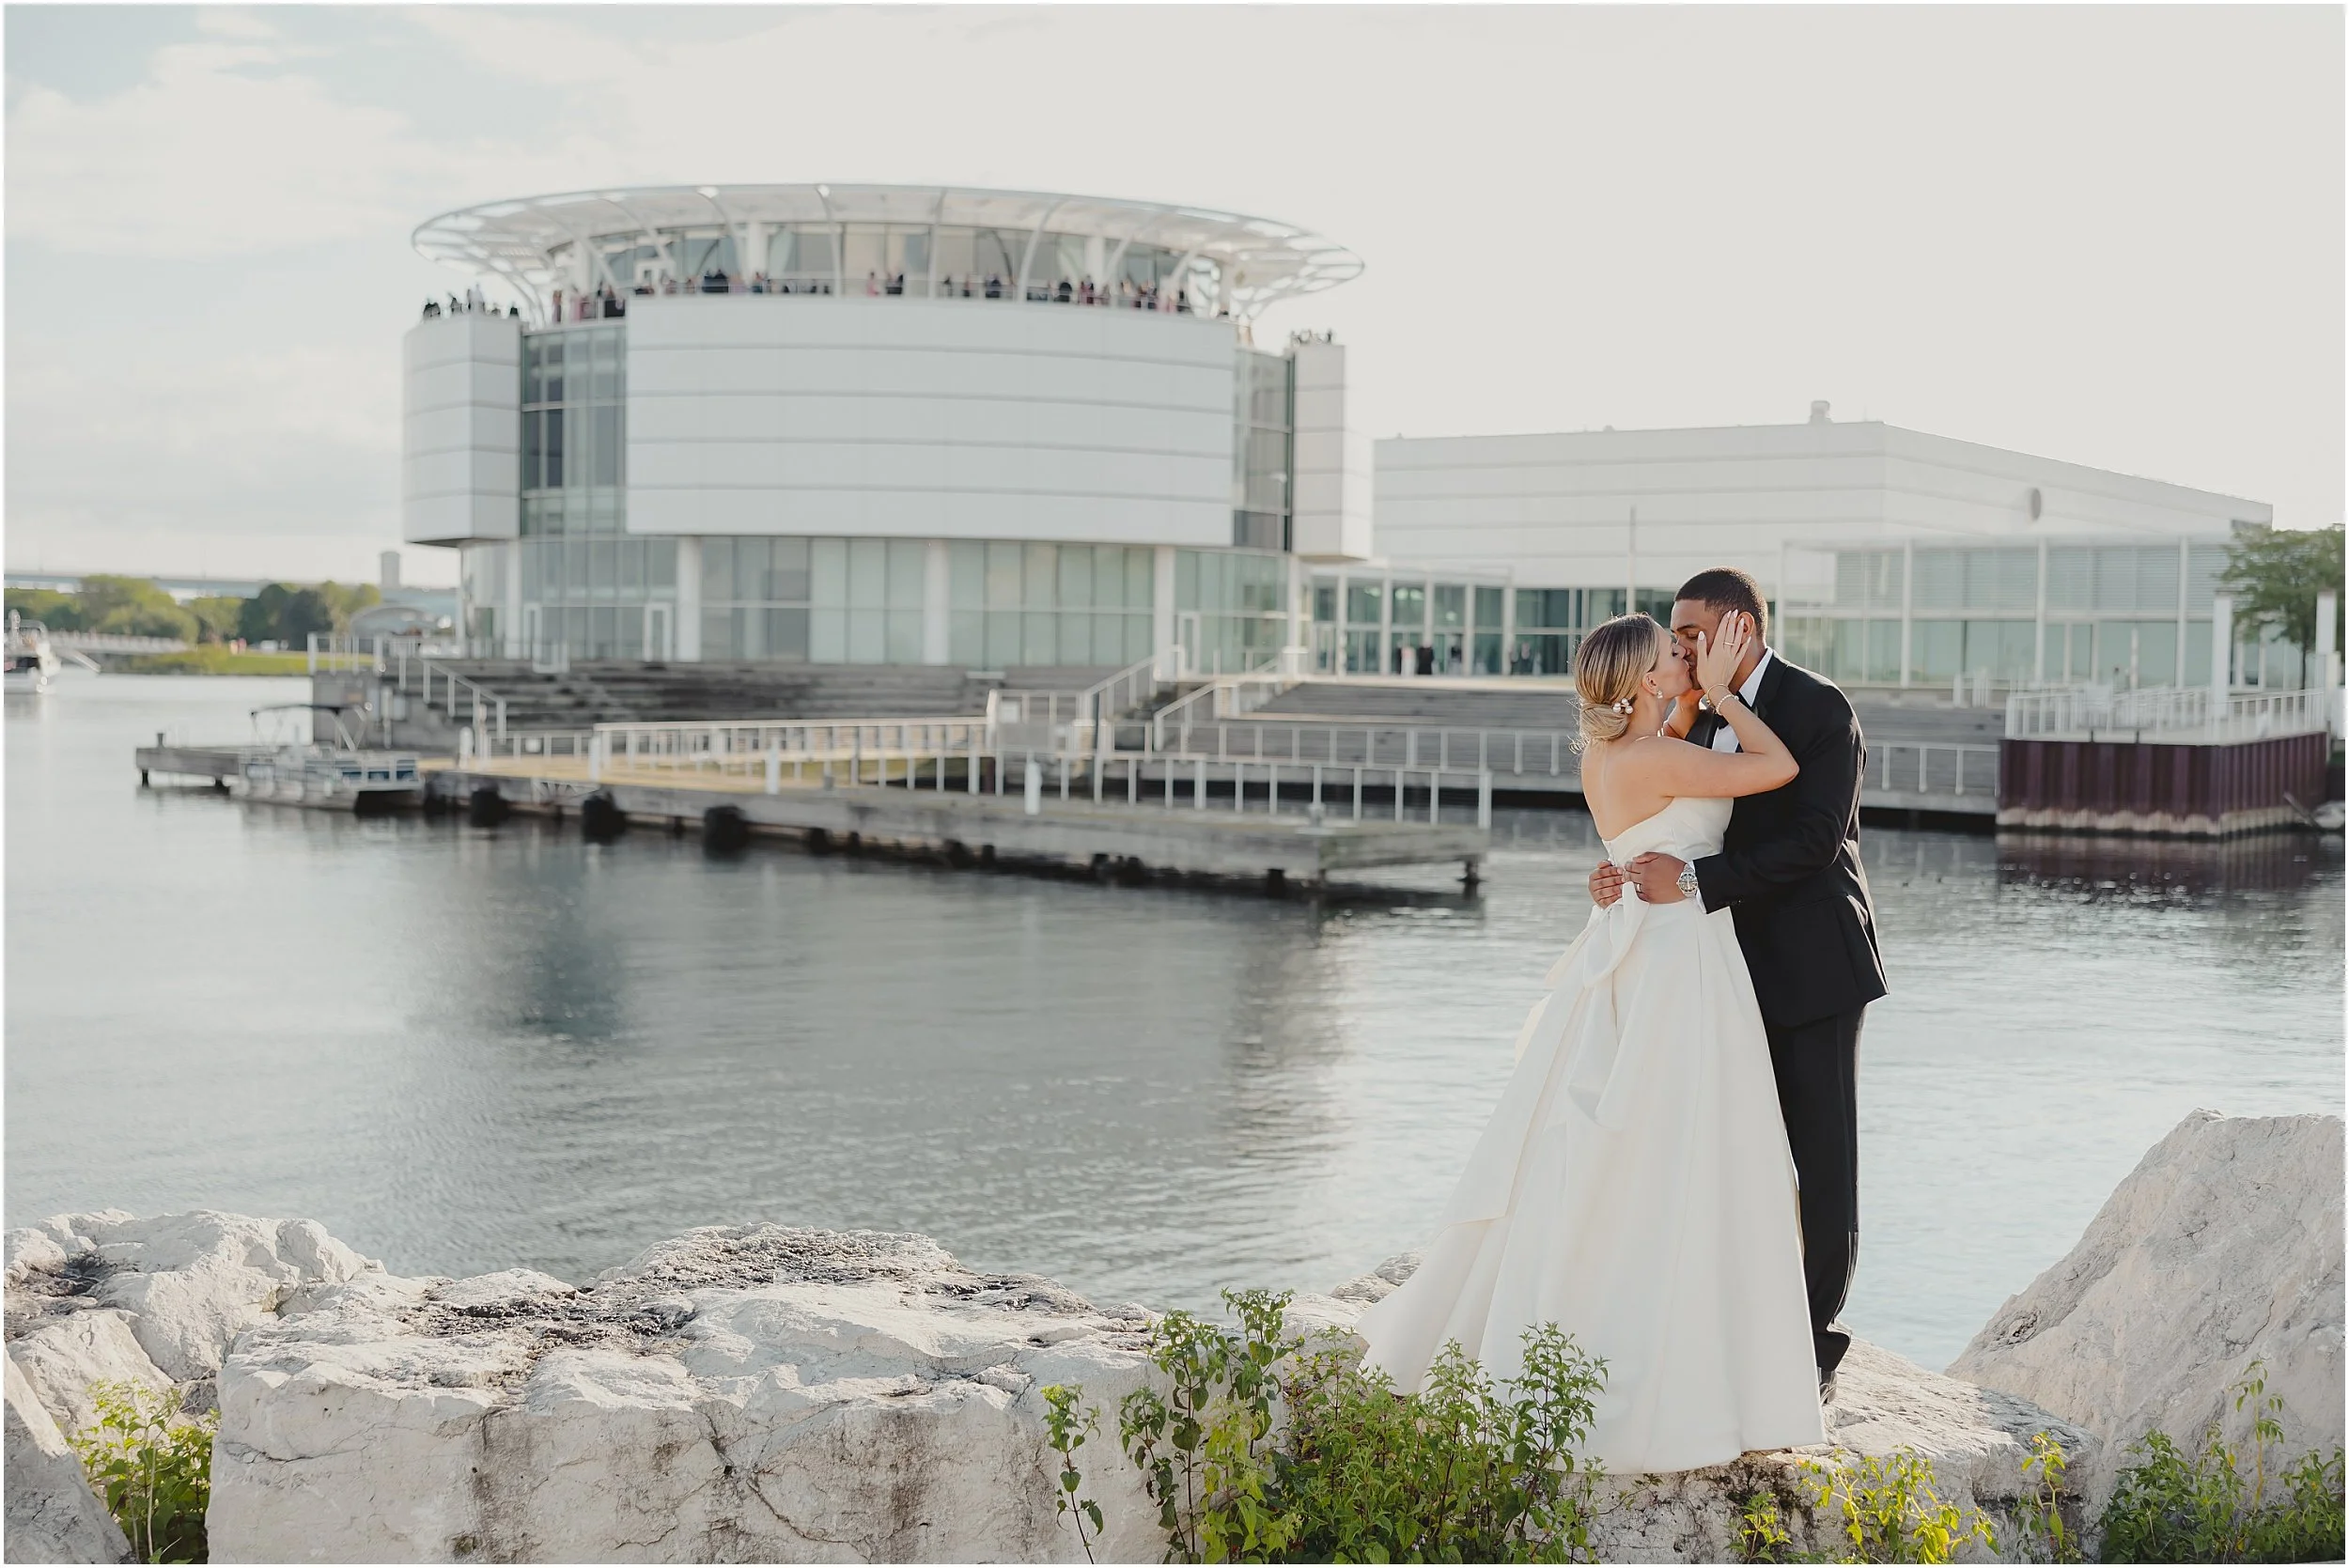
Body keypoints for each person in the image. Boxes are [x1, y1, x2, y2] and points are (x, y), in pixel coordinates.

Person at [1357, 606, 1827, 1474]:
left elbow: (1655, 807)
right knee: (1682, 1140)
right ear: (1646, 680)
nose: (1684, 658)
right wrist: (1725, 691)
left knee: (1615, 1138)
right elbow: (1779, 767)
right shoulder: (1657, 752)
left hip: (1638, 944)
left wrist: (1699, 701)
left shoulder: (1614, 755)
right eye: (1670, 654)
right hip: (1678, 952)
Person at [1587, 567, 1885, 1403]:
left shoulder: (1819, 708)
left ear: (1740, 628)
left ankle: (1813, 1346)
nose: (1679, 646)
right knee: (1733, 1152)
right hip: (1714, 968)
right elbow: (1648, 813)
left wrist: (1691, 881)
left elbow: (1818, 842)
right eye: (1674, 637)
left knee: (1821, 1159)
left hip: (1812, 963)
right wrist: (1618, 874)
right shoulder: (1690, 711)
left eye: (1690, 633)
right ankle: (1724, 1321)